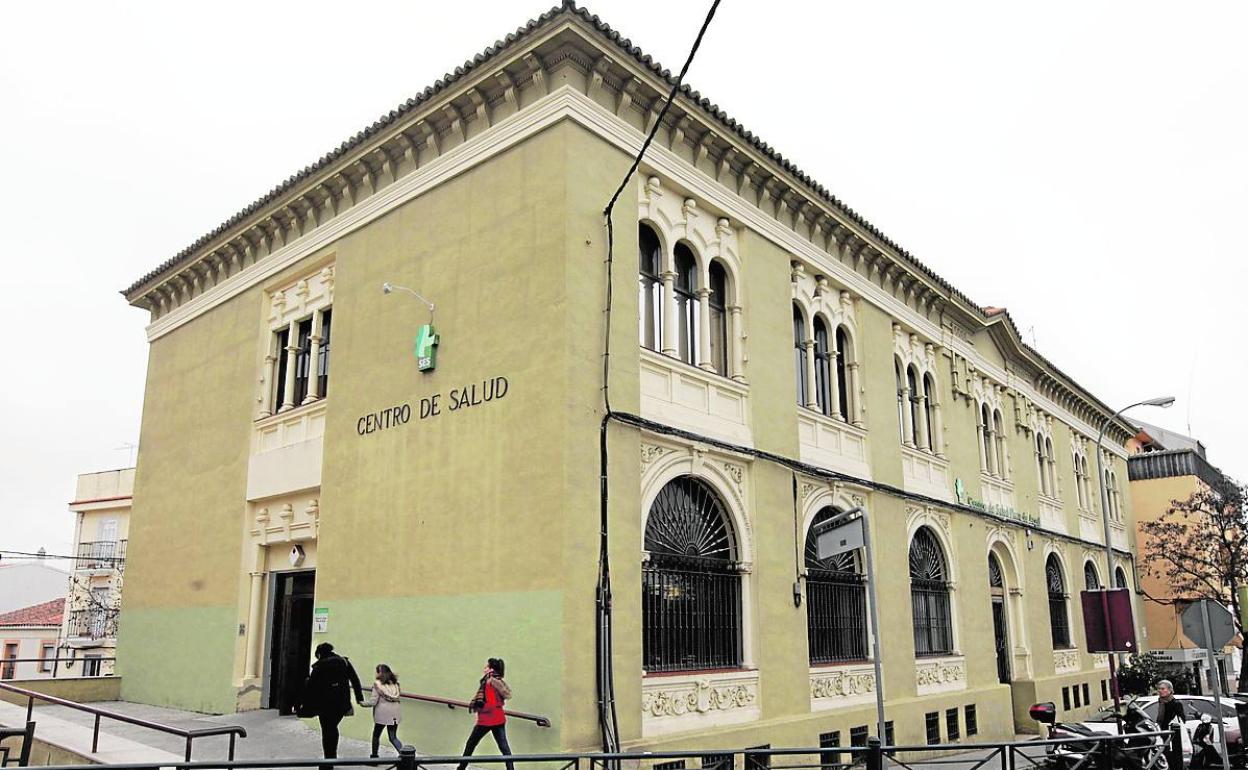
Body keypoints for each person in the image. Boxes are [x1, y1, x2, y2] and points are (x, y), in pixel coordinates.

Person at [296, 642, 364, 770]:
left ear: (320, 653)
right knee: (332, 728)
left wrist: (300, 704)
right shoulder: (344, 662)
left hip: (325, 705)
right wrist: (359, 698)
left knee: (328, 731)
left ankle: (329, 761)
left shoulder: (320, 666)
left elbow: (309, 687)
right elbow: (355, 680)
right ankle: (330, 759)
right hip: (342, 704)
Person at [456, 657, 514, 770]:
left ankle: (461, 768)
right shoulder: (498, 681)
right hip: (499, 719)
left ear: (491, 669)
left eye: (487, 666)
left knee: (471, 744)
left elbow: (491, 704)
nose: (484, 668)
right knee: (504, 748)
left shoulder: (488, 683)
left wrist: (479, 709)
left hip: (487, 720)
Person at [365, 663, 405, 757]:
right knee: (393, 737)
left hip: (382, 715)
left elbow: (373, 702)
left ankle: (374, 757)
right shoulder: (395, 684)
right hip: (394, 714)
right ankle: (405, 755)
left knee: (376, 735)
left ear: (380, 673)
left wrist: (362, 703)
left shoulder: (377, 685)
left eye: (377, 672)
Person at [1156, 679, 1187, 770]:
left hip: (1173, 734)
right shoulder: (1161, 702)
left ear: (1169, 690)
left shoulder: (1175, 703)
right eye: (1159, 689)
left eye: (1162, 689)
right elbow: (1160, 718)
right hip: (1163, 732)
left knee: (1174, 755)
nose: (1160, 691)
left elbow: (1182, 719)